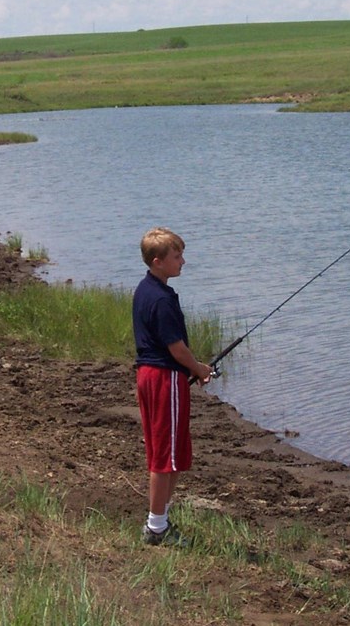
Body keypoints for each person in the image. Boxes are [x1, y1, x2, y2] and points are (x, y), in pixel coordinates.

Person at [132, 227, 214, 546]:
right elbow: (176, 348)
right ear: (158, 262)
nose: (183, 261)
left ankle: (160, 519)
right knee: (165, 456)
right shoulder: (162, 299)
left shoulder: (144, 289)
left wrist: (190, 370)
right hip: (165, 379)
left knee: (169, 452)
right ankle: (157, 528)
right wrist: (199, 369)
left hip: (150, 376)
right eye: (176, 256)